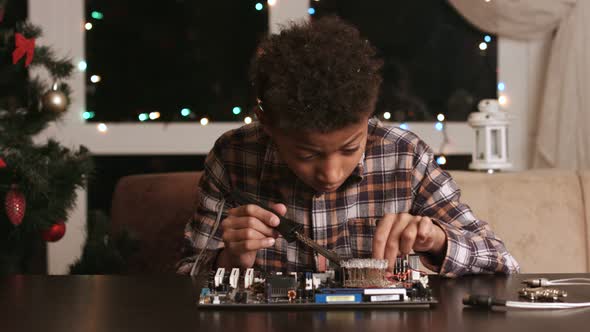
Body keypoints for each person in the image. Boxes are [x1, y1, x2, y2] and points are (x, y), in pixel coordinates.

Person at [177, 16, 519, 277]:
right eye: (307, 154)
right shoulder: (233, 157)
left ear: (367, 119)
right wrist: (231, 259)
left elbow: (504, 262)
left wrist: (437, 239)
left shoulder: (405, 156)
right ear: (267, 126)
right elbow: (182, 277)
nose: (330, 173)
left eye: (349, 148)